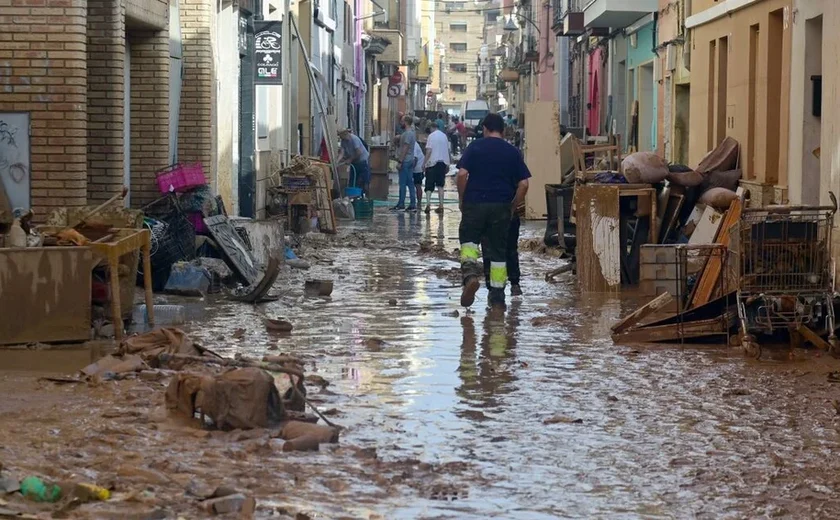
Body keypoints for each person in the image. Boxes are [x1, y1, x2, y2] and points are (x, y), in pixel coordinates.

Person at [456, 113, 530, 308]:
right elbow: (524, 184)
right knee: (498, 251)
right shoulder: (512, 152)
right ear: (503, 131)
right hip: (501, 207)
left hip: (475, 203)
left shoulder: (475, 147)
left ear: (485, 129)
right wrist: (513, 205)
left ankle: (471, 275)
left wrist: (462, 199)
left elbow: (462, 174)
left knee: (469, 243)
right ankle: (497, 297)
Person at [483, 201, 523, 296]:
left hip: (486, 213)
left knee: (489, 251)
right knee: (511, 249)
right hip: (508, 211)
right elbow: (523, 186)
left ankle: (492, 288)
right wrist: (513, 207)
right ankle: (515, 284)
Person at [392, 115, 418, 211]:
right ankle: (409, 203)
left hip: (405, 161)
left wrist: (400, 161)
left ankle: (404, 203)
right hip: (409, 160)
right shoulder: (410, 133)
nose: (400, 123)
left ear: (406, 122)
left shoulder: (408, 134)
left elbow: (405, 148)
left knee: (404, 183)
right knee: (410, 183)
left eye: (402, 121)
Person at [423, 124, 451, 214]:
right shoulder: (444, 136)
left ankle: (428, 204)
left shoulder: (431, 136)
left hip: (432, 163)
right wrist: (448, 164)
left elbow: (429, 150)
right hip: (442, 163)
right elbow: (448, 150)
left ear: (432, 128)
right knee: (440, 185)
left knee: (429, 185)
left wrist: (424, 163)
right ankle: (441, 205)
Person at [337, 128, 370, 196]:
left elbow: (359, 152)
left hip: (362, 162)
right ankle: (352, 197)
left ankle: (362, 197)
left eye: (340, 136)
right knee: (352, 181)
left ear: (345, 134)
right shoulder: (343, 141)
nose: (340, 138)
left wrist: (350, 159)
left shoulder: (354, 139)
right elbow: (342, 152)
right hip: (354, 163)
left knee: (362, 181)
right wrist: (337, 161)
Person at [413, 139, 426, 208]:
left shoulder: (414, 144)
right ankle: (417, 201)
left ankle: (419, 202)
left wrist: (411, 169)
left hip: (418, 168)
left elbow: (415, 159)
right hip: (418, 167)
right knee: (416, 185)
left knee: (417, 185)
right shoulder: (412, 143)